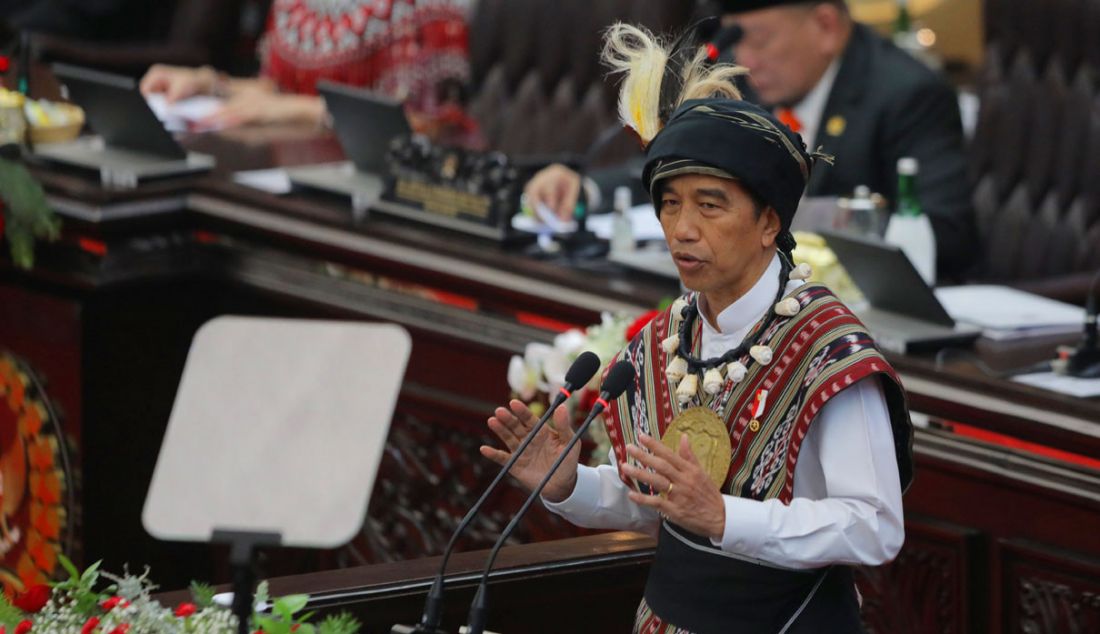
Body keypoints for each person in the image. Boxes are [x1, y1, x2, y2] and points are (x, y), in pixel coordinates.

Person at [482, 21, 913, 633]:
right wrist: (569, 483)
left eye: (710, 205)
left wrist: (725, 518)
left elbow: (874, 527)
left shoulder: (826, 349)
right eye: (669, 203)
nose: (682, 228)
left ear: (769, 222)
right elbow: (654, 504)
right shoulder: (663, 340)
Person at [523, 0, 976, 282]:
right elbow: (683, 162)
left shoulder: (907, 94)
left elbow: (948, 232)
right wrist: (588, 189)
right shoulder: (748, 81)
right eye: (739, 42)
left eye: (759, 40)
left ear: (826, 26)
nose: (746, 60)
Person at [139, 0, 475, 142]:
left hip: (382, 196)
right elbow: (275, 90)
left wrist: (304, 111)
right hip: (297, 172)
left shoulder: (424, 7)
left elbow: (427, 126)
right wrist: (208, 83)